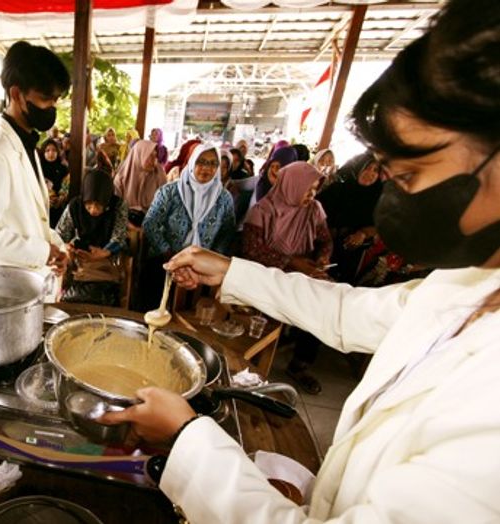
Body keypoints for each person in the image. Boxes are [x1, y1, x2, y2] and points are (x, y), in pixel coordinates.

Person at [102, 2, 500, 521]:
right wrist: (230, 270)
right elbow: (349, 313)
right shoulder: (468, 287)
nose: (394, 203)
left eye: (411, 176)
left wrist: (185, 439)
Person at [0, 41, 70, 274]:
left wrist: (55, 247)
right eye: (45, 99)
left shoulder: (24, 142)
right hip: (4, 287)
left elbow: (28, 218)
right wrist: (41, 252)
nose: (52, 107)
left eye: (55, 100)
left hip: (26, 281)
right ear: (17, 94)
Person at [242, 161, 332, 393]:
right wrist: (292, 262)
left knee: (322, 303)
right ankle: (254, 362)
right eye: (307, 188)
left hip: (303, 273)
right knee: (266, 312)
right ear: (293, 185)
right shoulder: (264, 210)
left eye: (315, 189)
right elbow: (252, 250)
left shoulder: (314, 210)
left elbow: (325, 240)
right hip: (269, 274)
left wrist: (322, 258)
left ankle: (300, 365)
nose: (311, 194)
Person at [142, 145, 236, 310]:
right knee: (156, 307)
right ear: (192, 162)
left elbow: (227, 232)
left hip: (203, 267)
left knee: (191, 313)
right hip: (166, 260)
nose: (207, 167)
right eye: (201, 161)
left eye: (213, 163)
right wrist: (168, 253)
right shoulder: (170, 191)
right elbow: (150, 223)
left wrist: (214, 257)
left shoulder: (224, 198)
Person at [55, 167, 129, 306]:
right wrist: (67, 247)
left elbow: (119, 236)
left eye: (99, 205)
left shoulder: (118, 206)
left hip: (107, 258)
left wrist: (103, 253)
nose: (93, 210)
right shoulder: (75, 206)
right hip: (79, 256)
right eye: (88, 204)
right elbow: (60, 234)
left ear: (107, 200)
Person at [317, 152, 383, 284]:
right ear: (357, 167)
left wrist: (363, 233)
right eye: (367, 168)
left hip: (353, 256)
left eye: (376, 170)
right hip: (322, 249)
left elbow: (380, 225)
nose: (371, 173)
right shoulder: (336, 190)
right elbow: (315, 214)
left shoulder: (377, 198)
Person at [114, 139, 167, 227]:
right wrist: (129, 225)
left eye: (155, 156)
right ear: (138, 155)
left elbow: (164, 205)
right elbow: (115, 208)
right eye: (149, 156)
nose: (154, 160)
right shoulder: (122, 178)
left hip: (153, 223)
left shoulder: (159, 174)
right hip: (125, 224)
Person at [40, 138, 70, 228]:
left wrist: (61, 196)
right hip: (43, 206)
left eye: (54, 150)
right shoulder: (39, 169)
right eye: (47, 150)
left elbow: (66, 185)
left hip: (60, 206)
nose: (51, 153)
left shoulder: (63, 168)